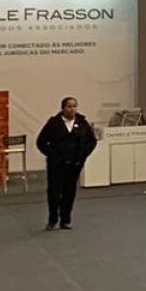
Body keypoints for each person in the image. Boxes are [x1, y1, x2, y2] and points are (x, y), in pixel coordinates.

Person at [35, 97, 96, 230]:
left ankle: (65, 220)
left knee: (69, 192)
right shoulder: (54, 122)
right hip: (56, 165)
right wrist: (52, 155)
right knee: (54, 192)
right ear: (63, 108)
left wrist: (83, 155)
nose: (72, 109)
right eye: (69, 106)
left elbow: (92, 141)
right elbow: (41, 142)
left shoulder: (82, 122)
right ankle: (53, 219)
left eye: (74, 106)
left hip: (74, 164)